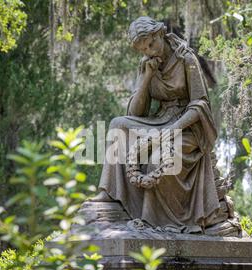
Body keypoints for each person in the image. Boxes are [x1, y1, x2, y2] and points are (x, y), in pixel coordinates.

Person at [91, 16, 220, 234]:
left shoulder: (185, 58)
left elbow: (200, 105)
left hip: (186, 127)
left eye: (151, 44)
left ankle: (152, 218)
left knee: (156, 159)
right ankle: (109, 193)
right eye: (143, 50)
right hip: (159, 121)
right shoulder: (147, 65)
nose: (149, 51)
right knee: (117, 125)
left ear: (160, 33)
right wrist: (147, 77)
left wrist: (173, 130)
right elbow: (135, 112)